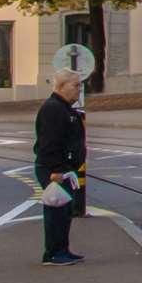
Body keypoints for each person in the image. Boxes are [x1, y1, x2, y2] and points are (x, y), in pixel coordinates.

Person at [33, 64, 88, 265]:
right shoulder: (53, 109)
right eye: (76, 85)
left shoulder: (64, 109)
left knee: (64, 211)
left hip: (64, 169)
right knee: (56, 211)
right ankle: (54, 253)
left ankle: (61, 249)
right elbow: (48, 143)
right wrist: (55, 170)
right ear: (62, 86)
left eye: (80, 85)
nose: (79, 89)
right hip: (56, 169)